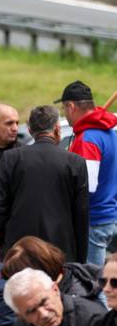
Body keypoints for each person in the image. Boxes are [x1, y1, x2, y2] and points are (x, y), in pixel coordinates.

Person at [0, 105, 89, 262]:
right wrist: (80, 259)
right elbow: (81, 214)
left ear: (30, 130)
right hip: (60, 251)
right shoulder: (75, 162)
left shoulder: (11, 159)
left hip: (19, 251)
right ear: (57, 128)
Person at [58, 80, 117, 267]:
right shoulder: (109, 134)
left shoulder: (88, 140)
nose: (65, 115)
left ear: (71, 106)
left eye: (64, 109)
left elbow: (86, 188)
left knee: (91, 287)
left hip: (94, 221)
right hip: (107, 216)